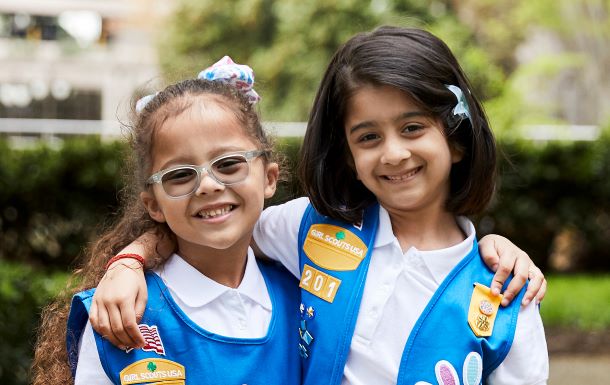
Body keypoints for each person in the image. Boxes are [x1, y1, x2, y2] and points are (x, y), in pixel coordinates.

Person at [91, 27, 549, 384]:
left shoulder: (507, 293)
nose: (393, 153)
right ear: (348, 156)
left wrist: (497, 247)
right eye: (368, 137)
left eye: (412, 128)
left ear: (457, 141)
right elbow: (212, 227)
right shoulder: (309, 228)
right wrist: (128, 261)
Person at [31, 57, 300, 385]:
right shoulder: (121, 316)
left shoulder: (306, 292)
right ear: (154, 204)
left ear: (269, 178)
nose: (209, 185)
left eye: (229, 163)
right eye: (180, 174)